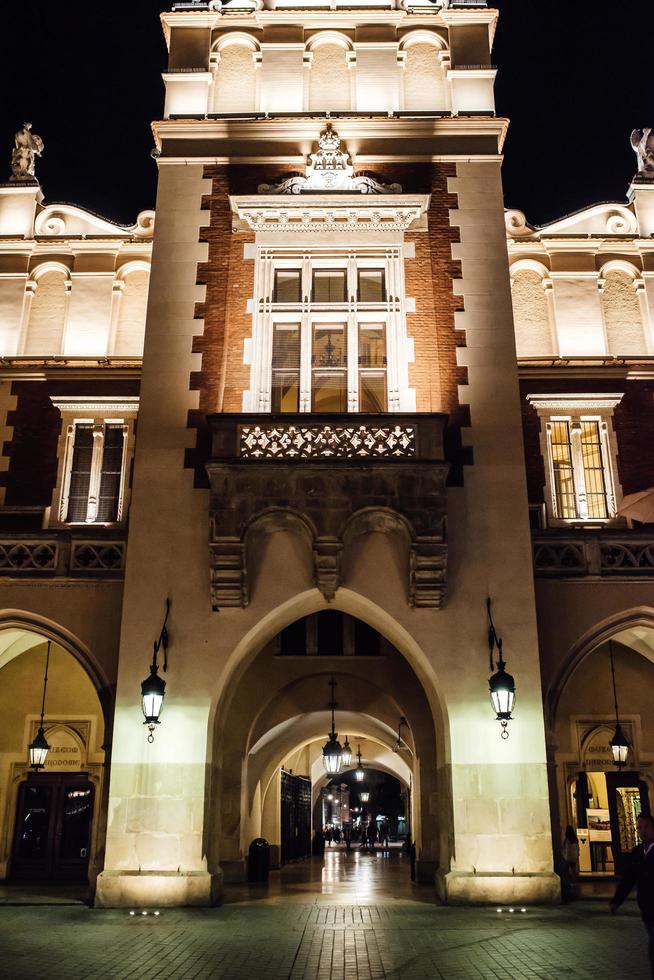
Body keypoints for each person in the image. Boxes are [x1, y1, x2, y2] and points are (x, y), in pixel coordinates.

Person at [610, 812, 654, 978]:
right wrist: (616, 901)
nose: (643, 831)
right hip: (647, 908)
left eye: (647, 827)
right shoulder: (637, 852)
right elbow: (628, 879)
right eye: (639, 828)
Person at [562, 825, 579, 901]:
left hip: (567, 857)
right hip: (573, 857)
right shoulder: (575, 839)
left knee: (565, 871)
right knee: (573, 870)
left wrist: (563, 855)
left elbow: (564, 848)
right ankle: (575, 882)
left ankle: (567, 883)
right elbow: (577, 848)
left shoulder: (567, 839)